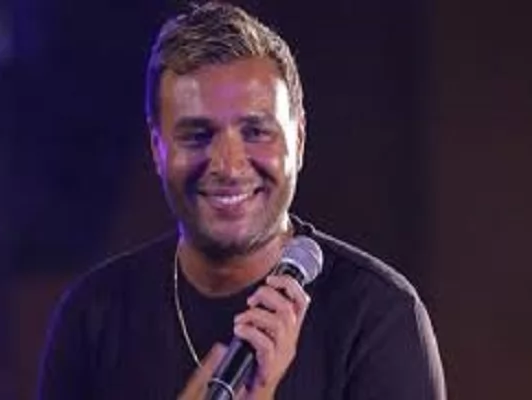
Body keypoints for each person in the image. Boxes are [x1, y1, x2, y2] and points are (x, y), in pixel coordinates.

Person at [37, 2, 446, 399]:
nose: (229, 166)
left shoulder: (376, 319)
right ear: (156, 147)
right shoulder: (94, 317)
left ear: (299, 140)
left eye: (256, 132)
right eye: (197, 135)